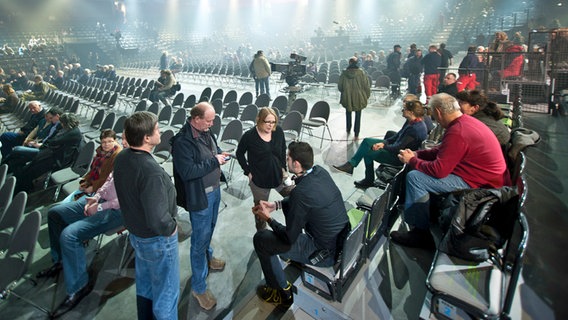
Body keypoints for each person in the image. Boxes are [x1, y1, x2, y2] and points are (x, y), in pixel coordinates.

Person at [390, 93, 507, 249]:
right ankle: (422, 213)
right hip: (483, 175)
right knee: (418, 169)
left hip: (482, 182)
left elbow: (439, 171)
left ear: (438, 112)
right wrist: (417, 154)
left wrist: (412, 161)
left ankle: (420, 234)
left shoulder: (458, 131)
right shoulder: (464, 122)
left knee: (415, 178)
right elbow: (442, 151)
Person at [252, 141, 349, 308]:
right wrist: (277, 204)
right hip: (340, 243)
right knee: (289, 216)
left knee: (261, 239)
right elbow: (304, 200)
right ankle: (294, 257)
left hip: (323, 253)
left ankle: (281, 291)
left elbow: (289, 237)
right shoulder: (320, 172)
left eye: (288, 158)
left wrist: (268, 219)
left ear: (296, 164)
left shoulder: (301, 193)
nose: (286, 160)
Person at [114, 111, 179, 320]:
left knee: (146, 286)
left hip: (137, 235)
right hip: (157, 240)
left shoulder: (123, 156)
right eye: (157, 129)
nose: (160, 131)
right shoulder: (150, 171)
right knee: (166, 295)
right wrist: (172, 227)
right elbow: (158, 219)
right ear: (147, 138)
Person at [37, 170, 125, 316]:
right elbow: (108, 182)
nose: (124, 145)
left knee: (69, 235)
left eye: (127, 144)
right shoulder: (122, 158)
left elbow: (125, 199)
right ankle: (61, 260)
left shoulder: (136, 164)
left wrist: (100, 207)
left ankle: (79, 286)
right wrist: (96, 198)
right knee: (55, 213)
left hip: (117, 211)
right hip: (101, 201)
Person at [171, 102, 230, 311]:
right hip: (201, 198)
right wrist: (215, 161)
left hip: (214, 191)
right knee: (199, 240)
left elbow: (213, 150)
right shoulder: (182, 142)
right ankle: (198, 287)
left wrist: (221, 154)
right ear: (195, 119)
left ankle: (208, 256)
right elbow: (188, 172)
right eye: (209, 120)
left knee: (209, 230)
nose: (212, 123)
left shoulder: (206, 131)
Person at [334, 100, 428, 188]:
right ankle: (351, 165)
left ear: (411, 112)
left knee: (368, 153)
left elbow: (398, 148)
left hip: (398, 156)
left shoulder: (415, 129)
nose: (402, 111)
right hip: (396, 148)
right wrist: (384, 143)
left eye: (404, 109)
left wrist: (384, 146)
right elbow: (397, 136)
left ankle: (367, 178)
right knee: (367, 141)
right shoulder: (411, 122)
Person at [236, 107, 291, 231]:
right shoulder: (249, 136)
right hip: (259, 180)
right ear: (259, 120)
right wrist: (248, 171)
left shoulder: (278, 132)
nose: (271, 125)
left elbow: (282, 151)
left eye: (273, 122)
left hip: (279, 175)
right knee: (261, 212)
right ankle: (262, 237)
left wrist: (284, 170)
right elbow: (239, 154)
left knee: (296, 196)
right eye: (268, 122)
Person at [14, 112, 83, 193]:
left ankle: (22, 189)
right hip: (55, 154)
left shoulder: (73, 133)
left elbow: (54, 141)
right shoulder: (70, 130)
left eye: (62, 123)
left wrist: (56, 132)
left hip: (59, 159)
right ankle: (22, 186)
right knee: (30, 166)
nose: (61, 124)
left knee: (31, 169)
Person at [65, 129, 122, 202]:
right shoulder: (100, 152)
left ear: (115, 141)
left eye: (110, 141)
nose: (106, 144)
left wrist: (93, 187)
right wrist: (85, 181)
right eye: (104, 142)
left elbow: (109, 180)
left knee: (69, 206)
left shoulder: (117, 156)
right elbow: (92, 170)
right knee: (68, 202)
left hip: (101, 192)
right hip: (92, 184)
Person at [1, 107, 62, 171]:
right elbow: (35, 131)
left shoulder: (55, 127)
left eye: (50, 118)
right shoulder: (43, 120)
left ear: (57, 117)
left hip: (39, 146)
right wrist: (27, 140)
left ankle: (7, 167)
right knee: (6, 137)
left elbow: (47, 142)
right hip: (33, 141)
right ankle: (5, 161)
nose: (48, 119)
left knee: (17, 151)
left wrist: (34, 143)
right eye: (46, 116)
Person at [338, 56, 371, 140]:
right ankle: (356, 134)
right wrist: (366, 96)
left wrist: (345, 92)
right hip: (359, 97)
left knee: (348, 113)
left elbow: (340, 87)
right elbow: (366, 86)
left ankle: (348, 129)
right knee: (358, 115)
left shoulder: (344, 74)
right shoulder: (361, 73)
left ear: (349, 63)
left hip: (347, 96)